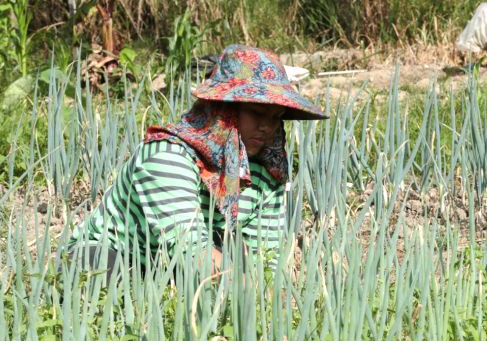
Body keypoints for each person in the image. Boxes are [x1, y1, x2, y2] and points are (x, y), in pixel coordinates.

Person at [61, 44, 327, 279]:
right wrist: (254, 293)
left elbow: (267, 255)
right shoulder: (166, 156)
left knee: (240, 263)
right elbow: (191, 250)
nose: (267, 127)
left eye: (275, 117)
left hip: (176, 267)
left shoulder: (263, 170)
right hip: (115, 257)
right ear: (224, 111)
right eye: (257, 113)